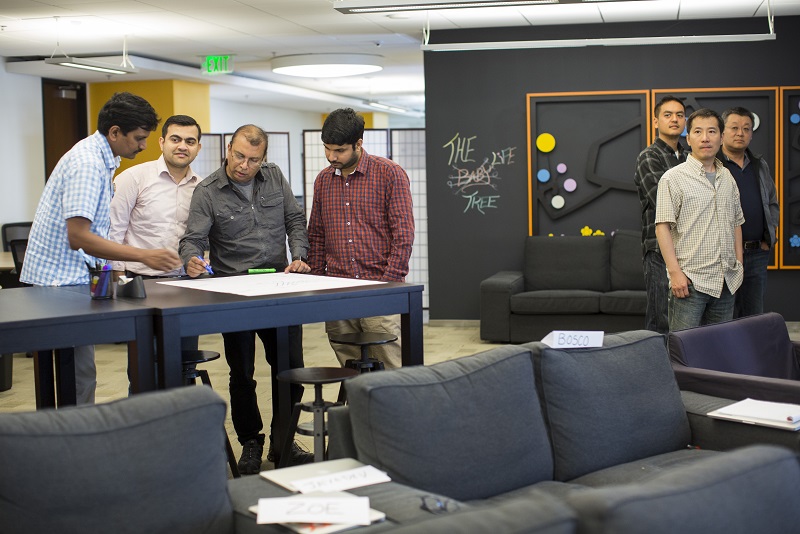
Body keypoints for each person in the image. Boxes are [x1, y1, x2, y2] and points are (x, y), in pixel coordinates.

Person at [20, 92, 181, 404]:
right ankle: (76, 445)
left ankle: (74, 441)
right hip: (57, 285)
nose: (143, 145)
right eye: (138, 138)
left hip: (68, 281)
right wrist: (144, 255)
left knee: (81, 376)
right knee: (77, 380)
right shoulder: (88, 164)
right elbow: (78, 236)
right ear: (115, 132)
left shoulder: (102, 156)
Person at [179, 124, 312, 473]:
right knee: (242, 374)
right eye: (239, 156)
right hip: (234, 293)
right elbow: (192, 239)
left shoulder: (274, 177)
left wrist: (298, 255)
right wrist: (192, 260)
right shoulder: (207, 191)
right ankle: (251, 443)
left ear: (263, 158)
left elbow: (296, 219)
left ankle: (283, 441)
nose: (244, 165)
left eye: (253, 159)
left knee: (291, 369)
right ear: (228, 149)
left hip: (279, 288)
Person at [307, 108, 415, 369]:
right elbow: (317, 235)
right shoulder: (323, 180)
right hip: (337, 290)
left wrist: (389, 283)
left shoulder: (389, 173)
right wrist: (320, 284)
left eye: (340, 150)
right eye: (327, 149)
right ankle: (358, 411)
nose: (332, 156)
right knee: (350, 368)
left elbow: (403, 234)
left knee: (391, 368)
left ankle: (396, 411)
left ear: (358, 144)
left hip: (379, 287)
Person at [109, 114, 203, 351]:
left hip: (186, 283)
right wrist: (120, 282)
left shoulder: (203, 187)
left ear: (198, 147)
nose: (183, 146)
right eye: (175, 139)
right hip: (140, 283)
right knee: (144, 365)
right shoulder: (133, 178)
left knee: (185, 359)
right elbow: (114, 231)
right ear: (162, 142)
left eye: (190, 141)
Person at [655, 108, 744, 331]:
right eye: (698, 131)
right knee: (684, 354)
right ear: (689, 137)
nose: (705, 138)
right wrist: (675, 274)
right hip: (690, 283)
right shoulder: (673, 178)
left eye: (712, 131)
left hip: (726, 282)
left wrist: (738, 265)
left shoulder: (728, 177)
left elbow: (736, 223)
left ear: (721, 138)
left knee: (720, 350)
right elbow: (662, 228)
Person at [718, 107, 779, 318]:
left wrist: (767, 237)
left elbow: (772, 201)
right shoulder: (712, 164)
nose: (740, 133)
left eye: (746, 129)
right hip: (723, 254)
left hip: (757, 253)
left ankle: (752, 352)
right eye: (734, 128)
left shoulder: (759, 165)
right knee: (723, 316)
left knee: (754, 316)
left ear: (752, 134)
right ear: (722, 132)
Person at [633, 96, 687, 334]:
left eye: (679, 115)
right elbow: (663, 202)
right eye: (668, 115)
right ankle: (655, 370)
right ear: (655, 121)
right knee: (660, 317)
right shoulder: (649, 156)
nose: (674, 119)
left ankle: (682, 370)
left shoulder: (691, 158)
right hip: (658, 248)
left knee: (685, 317)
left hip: (689, 246)